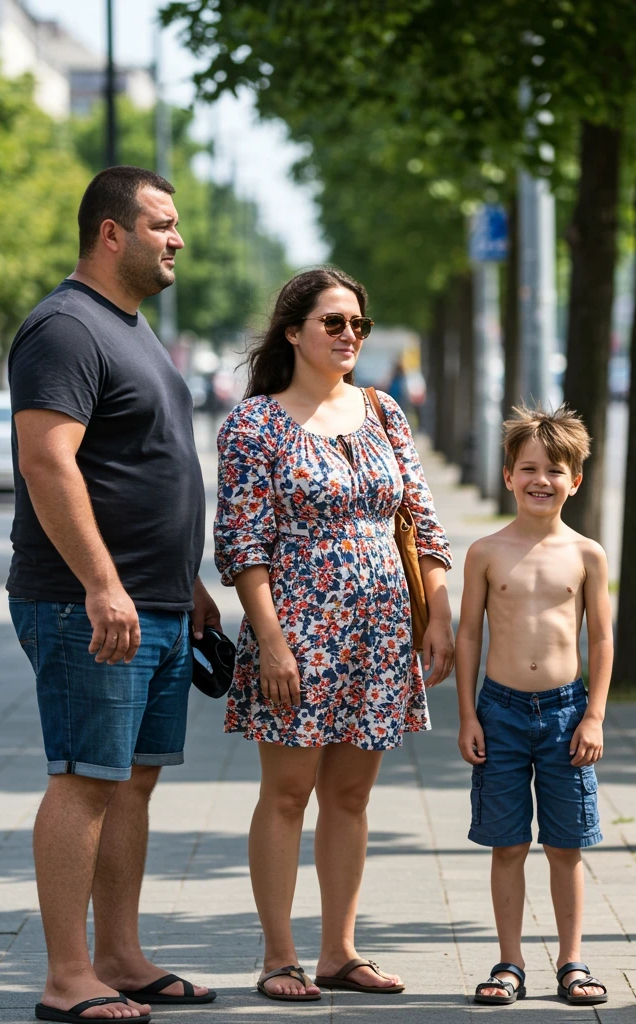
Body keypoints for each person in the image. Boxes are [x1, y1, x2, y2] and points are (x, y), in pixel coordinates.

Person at [6, 166, 219, 1023]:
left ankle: (122, 957)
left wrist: (187, 584)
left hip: (158, 603)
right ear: (111, 232)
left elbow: (141, 466)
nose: (177, 240)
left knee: (132, 782)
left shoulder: (128, 331)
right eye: (162, 224)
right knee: (85, 778)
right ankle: (67, 978)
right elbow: (47, 462)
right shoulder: (64, 328)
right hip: (83, 603)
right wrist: (102, 584)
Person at [213, 266, 455, 1001]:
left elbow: (421, 518)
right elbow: (242, 545)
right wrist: (273, 642)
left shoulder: (383, 411)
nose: (349, 335)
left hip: (380, 632)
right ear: (293, 331)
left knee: (351, 796)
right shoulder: (253, 424)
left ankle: (339, 952)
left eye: (358, 324)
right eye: (333, 322)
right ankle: (279, 955)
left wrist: (439, 611)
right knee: (287, 793)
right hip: (299, 629)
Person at [455, 404, 612, 1009]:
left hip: (567, 713)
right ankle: (509, 963)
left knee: (566, 844)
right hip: (499, 713)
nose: (540, 480)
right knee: (508, 843)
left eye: (555, 469)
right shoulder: (486, 552)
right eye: (528, 468)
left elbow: (600, 638)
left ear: (575, 480)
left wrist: (594, 714)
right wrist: (469, 713)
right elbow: (469, 635)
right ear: (507, 476)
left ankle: (572, 962)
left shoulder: (587, 554)